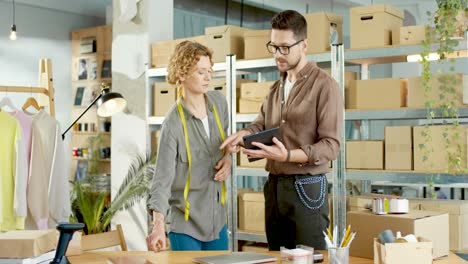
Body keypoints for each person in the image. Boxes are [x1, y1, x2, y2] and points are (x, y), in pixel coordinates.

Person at [220, 10, 343, 250]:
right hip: (275, 186)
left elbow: (331, 146)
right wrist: (244, 135)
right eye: (274, 47)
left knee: (310, 257)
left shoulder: (325, 86)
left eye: (285, 47)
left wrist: (287, 156)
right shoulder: (276, 88)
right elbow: (262, 124)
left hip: (306, 188)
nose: (278, 54)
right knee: (278, 256)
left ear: (304, 45)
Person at [146, 41, 231, 252]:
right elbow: (162, 179)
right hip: (186, 224)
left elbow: (227, 144)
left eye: (210, 71)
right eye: (201, 72)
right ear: (182, 74)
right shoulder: (173, 123)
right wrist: (158, 226)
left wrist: (228, 158)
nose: (208, 77)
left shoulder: (219, 103)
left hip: (217, 220)